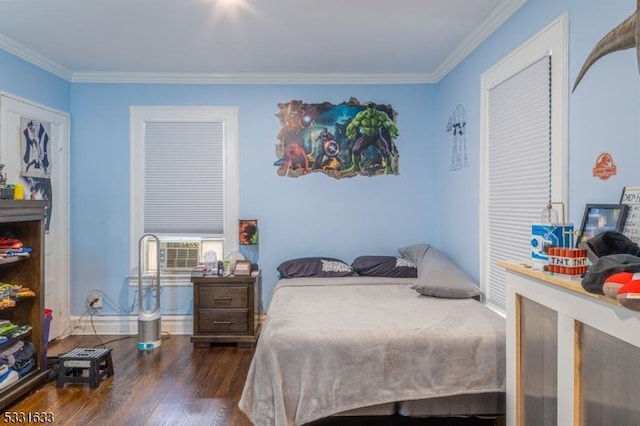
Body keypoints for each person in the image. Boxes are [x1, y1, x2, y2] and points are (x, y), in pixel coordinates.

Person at [345, 103, 398, 174]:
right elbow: (353, 124)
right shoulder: (361, 115)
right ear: (367, 109)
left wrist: (392, 129)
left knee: (385, 151)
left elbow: (388, 123)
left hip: (377, 137)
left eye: (372, 110)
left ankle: (389, 168)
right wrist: (350, 130)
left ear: (374, 109)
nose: (371, 112)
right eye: (369, 110)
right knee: (355, 150)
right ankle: (356, 166)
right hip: (366, 137)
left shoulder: (380, 115)